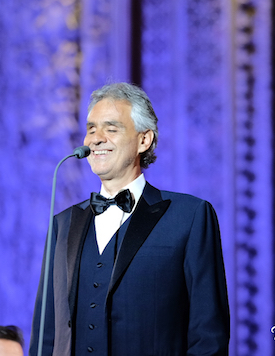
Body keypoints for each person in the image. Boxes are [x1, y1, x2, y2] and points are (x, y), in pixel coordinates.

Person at [29, 82, 229, 356]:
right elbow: (46, 334)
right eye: (90, 129)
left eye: (111, 129)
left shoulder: (190, 216)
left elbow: (209, 336)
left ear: (144, 140)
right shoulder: (62, 225)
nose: (95, 139)